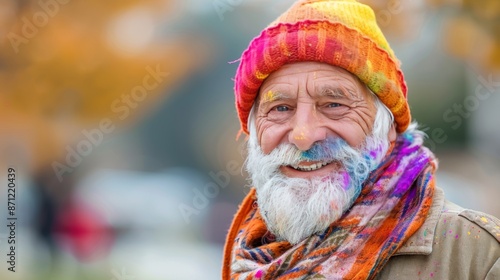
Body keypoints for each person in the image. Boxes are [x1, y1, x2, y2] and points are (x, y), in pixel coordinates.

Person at [221, 0, 500, 279]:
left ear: (388, 125)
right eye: (281, 108)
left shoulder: (475, 257)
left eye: (334, 105)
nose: (303, 136)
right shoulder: (247, 256)